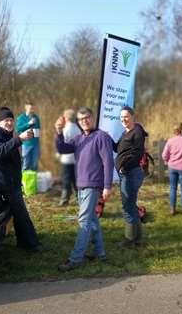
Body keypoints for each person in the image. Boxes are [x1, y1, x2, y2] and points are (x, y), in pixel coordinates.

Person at [55, 107, 114, 271]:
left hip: (92, 185)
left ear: (93, 117)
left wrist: (107, 186)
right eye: (81, 119)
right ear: (78, 122)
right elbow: (62, 149)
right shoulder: (79, 138)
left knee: (84, 221)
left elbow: (108, 162)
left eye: (87, 117)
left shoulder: (101, 137)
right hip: (80, 185)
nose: (84, 121)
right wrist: (58, 131)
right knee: (92, 220)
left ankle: (75, 259)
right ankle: (100, 253)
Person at [0, 107, 41, 252]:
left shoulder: (5, 135)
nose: (9, 123)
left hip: (11, 182)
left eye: (11, 120)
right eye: (6, 120)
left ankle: (25, 243)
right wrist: (19, 139)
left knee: (19, 214)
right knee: (21, 215)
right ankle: (31, 245)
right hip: (4, 184)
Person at [114, 106, 148, 247]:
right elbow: (117, 148)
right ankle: (138, 238)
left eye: (126, 116)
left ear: (133, 117)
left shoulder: (137, 132)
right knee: (131, 205)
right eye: (121, 117)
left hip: (131, 173)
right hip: (125, 174)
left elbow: (137, 153)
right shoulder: (125, 133)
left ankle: (129, 239)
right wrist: (105, 138)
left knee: (127, 206)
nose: (123, 119)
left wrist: (124, 166)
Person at [58, 109, 81, 206]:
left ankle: (64, 199)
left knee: (66, 179)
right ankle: (79, 198)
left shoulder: (65, 129)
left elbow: (62, 144)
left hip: (67, 159)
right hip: (76, 159)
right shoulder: (78, 129)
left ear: (66, 118)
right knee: (76, 179)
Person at [16, 102, 41, 171]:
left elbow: (38, 129)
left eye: (33, 108)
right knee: (25, 164)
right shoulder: (21, 118)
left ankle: (33, 181)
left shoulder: (36, 118)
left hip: (36, 144)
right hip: (26, 144)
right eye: (30, 108)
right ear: (26, 107)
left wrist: (37, 136)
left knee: (34, 164)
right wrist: (28, 124)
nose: (32, 110)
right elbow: (18, 129)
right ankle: (23, 181)